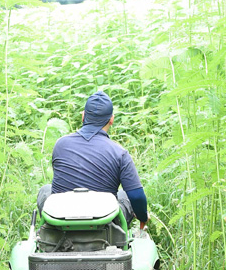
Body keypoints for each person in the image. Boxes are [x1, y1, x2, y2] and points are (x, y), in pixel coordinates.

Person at [37, 90, 149, 229]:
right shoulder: (120, 153)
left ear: (83, 116)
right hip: (104, 225)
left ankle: (49, 230)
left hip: (61, 224)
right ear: (111, 120)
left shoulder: (61, 144)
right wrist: (143, 217)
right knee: (124, 195)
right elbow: (137, 197)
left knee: (45, 190)